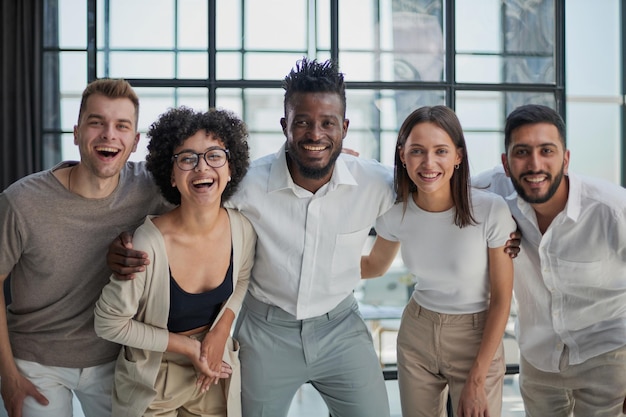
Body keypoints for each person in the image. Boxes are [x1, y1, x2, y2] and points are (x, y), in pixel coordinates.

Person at [107, 58, 522, 417]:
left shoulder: (375, 183)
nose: (314, 133)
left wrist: (508, 219)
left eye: (327, 123)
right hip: (266, 332)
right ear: (285, 124)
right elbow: (186, 193)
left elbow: (441, 184)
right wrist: (129, 239)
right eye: (302, 121)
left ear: (344, 127)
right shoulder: (247, 185)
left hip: (340, 328)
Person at [0, 78, 172, 417]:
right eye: (97, 123)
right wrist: (7, 376)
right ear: (77, 133)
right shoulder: (21, 201)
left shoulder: (151, 189)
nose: (109, 134)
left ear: (135, 142)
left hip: (116, 357)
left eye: (121, 126)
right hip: (36, 361)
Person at [94, 106, 255, 417]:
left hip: (212, 373)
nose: (202, 167)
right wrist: (189, 348)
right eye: (187, 158)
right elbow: (108, 322)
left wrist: (221, 330)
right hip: (153, 379)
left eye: (214, 155)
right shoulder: (148, 243)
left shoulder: (242, 229)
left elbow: (243, 278)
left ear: (230, 166)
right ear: (171, 173)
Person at [361, 106, 516, 417]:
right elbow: (375, 265)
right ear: (402, 155)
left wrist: (477, 378)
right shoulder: (396, 211)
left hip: (477, 334)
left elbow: (501, 299)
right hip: (419, 329)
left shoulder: (490, 211)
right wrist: (316, 259)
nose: (428, 163)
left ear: (458, 156)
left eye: (441, 151)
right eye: (417, 151)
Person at [474, 104, 626, 417]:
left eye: (547, 150)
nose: (534, 164)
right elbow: (433, 182)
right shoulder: (493, 196)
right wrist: (344, 160)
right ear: (505, 163)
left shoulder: (612, 210)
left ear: (566, 159)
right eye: (521, 152)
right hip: (539, 357)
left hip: (606, 354)